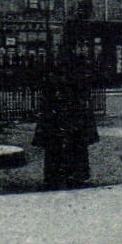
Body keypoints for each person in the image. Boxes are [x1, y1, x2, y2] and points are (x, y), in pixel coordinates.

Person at [32, 55, 99, 189]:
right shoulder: (67, 79)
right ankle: (67, 174)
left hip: (66, 116)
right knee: (67, 145)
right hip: (63, 117)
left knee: (69, 144)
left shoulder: (63, 79)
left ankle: (63, 174)